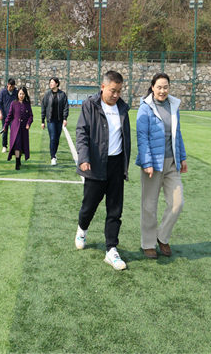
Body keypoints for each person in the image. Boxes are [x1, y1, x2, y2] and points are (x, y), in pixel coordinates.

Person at [74, 71, 131, 271]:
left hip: (116, 165)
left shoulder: (122, 108)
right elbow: (81, 132)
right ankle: (82, 228)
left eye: (119, 91)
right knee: (89, 206)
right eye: (113, 91)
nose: (116, 95)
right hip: (95, 164)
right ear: (103, 87)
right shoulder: (90, 105)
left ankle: (111, 249)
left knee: (115, 210)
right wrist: (84, 158)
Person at [135, 72, 187, 259]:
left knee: (177, 203)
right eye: (159, 87)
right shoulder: (145, 107)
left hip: (172, 162)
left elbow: (177, 134)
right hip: (152, 164)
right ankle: (148, 244)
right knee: (149, 205)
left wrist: (182, 157)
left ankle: (162, 237)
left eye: (166, 87)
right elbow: (142, 137)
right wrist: (147, 162)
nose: (163, 91)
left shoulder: (173, 106)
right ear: (152, 87)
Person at [2, 86, 33, 170]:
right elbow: (9, 116)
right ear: (17, 94)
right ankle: (17, 162)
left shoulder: (27, 104)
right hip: (15, 128)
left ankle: (19, 160)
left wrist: (28, 124)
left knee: (22, 145)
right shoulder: (13, 103)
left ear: (25, 95)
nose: (21, 95)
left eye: (23, 94)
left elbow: (31, 116)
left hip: (24, 129)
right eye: (20, 94)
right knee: (17, 145)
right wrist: (5, 126)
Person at [40, 77, 69, 166]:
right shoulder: (47, 94)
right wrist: (42, 121)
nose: (51, 84)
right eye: (50, 82)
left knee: (57, 138)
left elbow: (65, 107)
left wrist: (65, 118)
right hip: (50, 120)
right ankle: (52, 157)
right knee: (52, 137)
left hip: (59, 120)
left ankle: (54, 153)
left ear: (57, 84)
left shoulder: (62, 95)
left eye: (52, 82)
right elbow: (43, 107)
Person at [0, 78, 17, 154]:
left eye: (13, 87)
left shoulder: (16, 92)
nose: (11, 88)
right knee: (4, 131)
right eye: (10, 86)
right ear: (7, 85)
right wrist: (0, 113)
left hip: (14, 116)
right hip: (5, 116)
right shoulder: (3, 92)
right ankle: (4, 146)